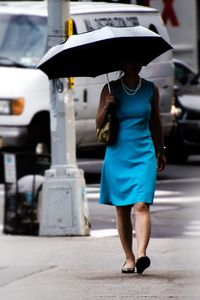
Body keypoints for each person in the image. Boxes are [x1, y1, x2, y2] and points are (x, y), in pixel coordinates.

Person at [96, 62, 166, 275]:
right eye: (130, 61)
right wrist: (108, 106)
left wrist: (160, 149)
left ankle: (142, 253)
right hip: (118, 153)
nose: (135, 65)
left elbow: (155, 121)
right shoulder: (110, 89)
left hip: (144, 152)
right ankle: (129, 257)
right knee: (122, 207)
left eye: (138, 61)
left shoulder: (150, 89)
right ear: (122, 65)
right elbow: (98, 124)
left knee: (142, 204)